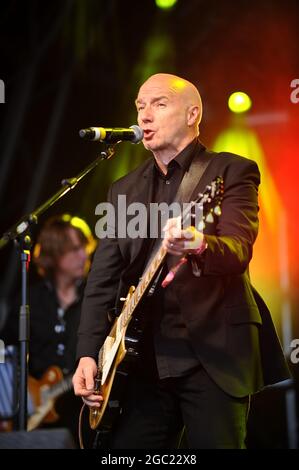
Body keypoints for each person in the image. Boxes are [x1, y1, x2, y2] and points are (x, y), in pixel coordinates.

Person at [72, 73, 290, 449]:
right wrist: (89, 355)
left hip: (212, 356)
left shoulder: (230, 171)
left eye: (158, 104)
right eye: (140, 106)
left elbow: (238, 250)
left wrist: (200, 243)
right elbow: (102, 282)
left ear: (193, 114)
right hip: (140, 364)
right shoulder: (123, 189)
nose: (144, 115)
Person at [1, 214, 95, 441]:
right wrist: (5, 404)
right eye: (74, 250)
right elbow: (5, 352)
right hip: (32, 412)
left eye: (83, 247)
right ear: (54, 256)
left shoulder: (94, 299)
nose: (83, 255)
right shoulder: (29, 298)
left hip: (80, 412)